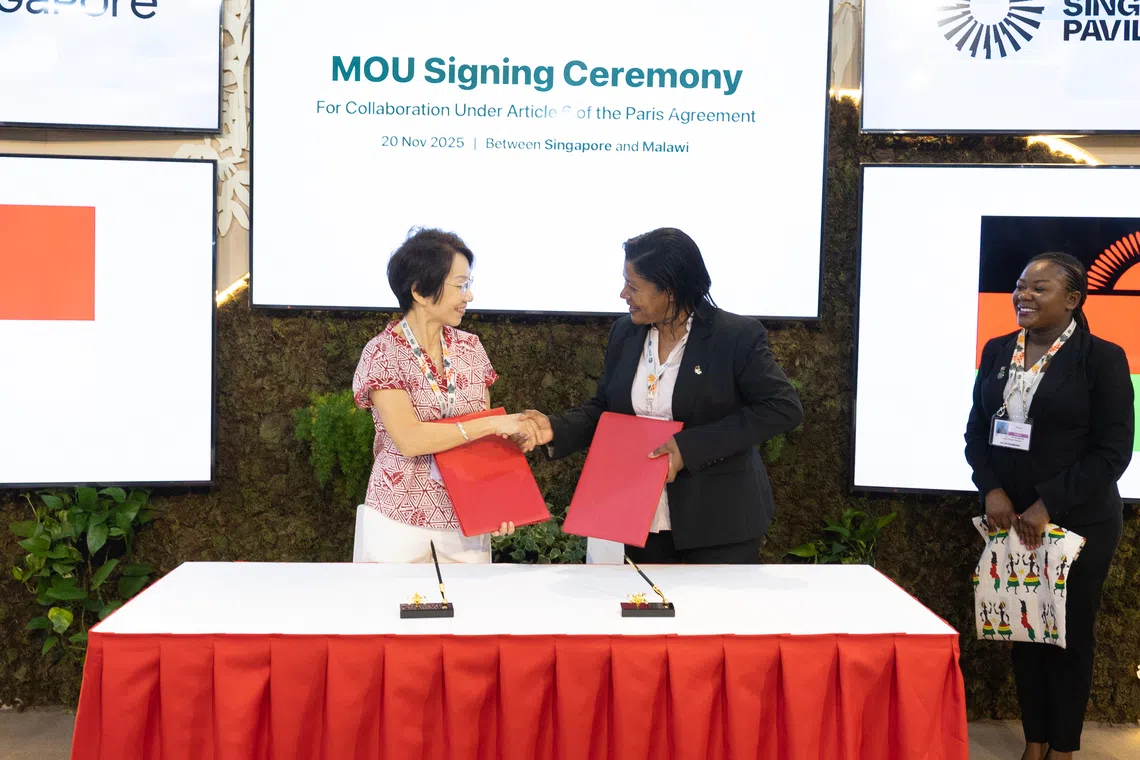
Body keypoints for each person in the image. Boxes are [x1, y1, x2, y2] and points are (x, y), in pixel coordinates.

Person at [523, 227, 803, 564]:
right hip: (637, 519)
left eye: (635, 286)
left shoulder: (735, 337)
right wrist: (555, 428)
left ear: (670, 291)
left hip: (717, 523)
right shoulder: (625, 332)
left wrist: (688, 448)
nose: (623, 293)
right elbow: (607, 409)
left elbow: (782, 408)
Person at [964, 252, 1134, 760]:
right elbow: (977, 434)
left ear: (1074, 299)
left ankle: (1062, 747)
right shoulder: (998, 352)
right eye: (1020, 286)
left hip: (1077, 523)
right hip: (1011, 521)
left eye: (1039, 288)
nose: (1024, 296)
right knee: (1026, 632)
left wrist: (1048, 503)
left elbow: (1113, 452)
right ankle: (1034, 742)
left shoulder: (1102, 358)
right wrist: (991, 488)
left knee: (1067, 637)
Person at [352, 228, 536, 563]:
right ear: (421, 291)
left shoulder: (470, 348)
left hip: (467, 520)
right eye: (460, 285)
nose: (469, 296)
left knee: (471, 612)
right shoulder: (383, 352)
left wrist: (498, 487)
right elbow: (409, 439)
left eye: (469, 283)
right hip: (399, 518)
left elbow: (484, 438)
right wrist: (491, 426)